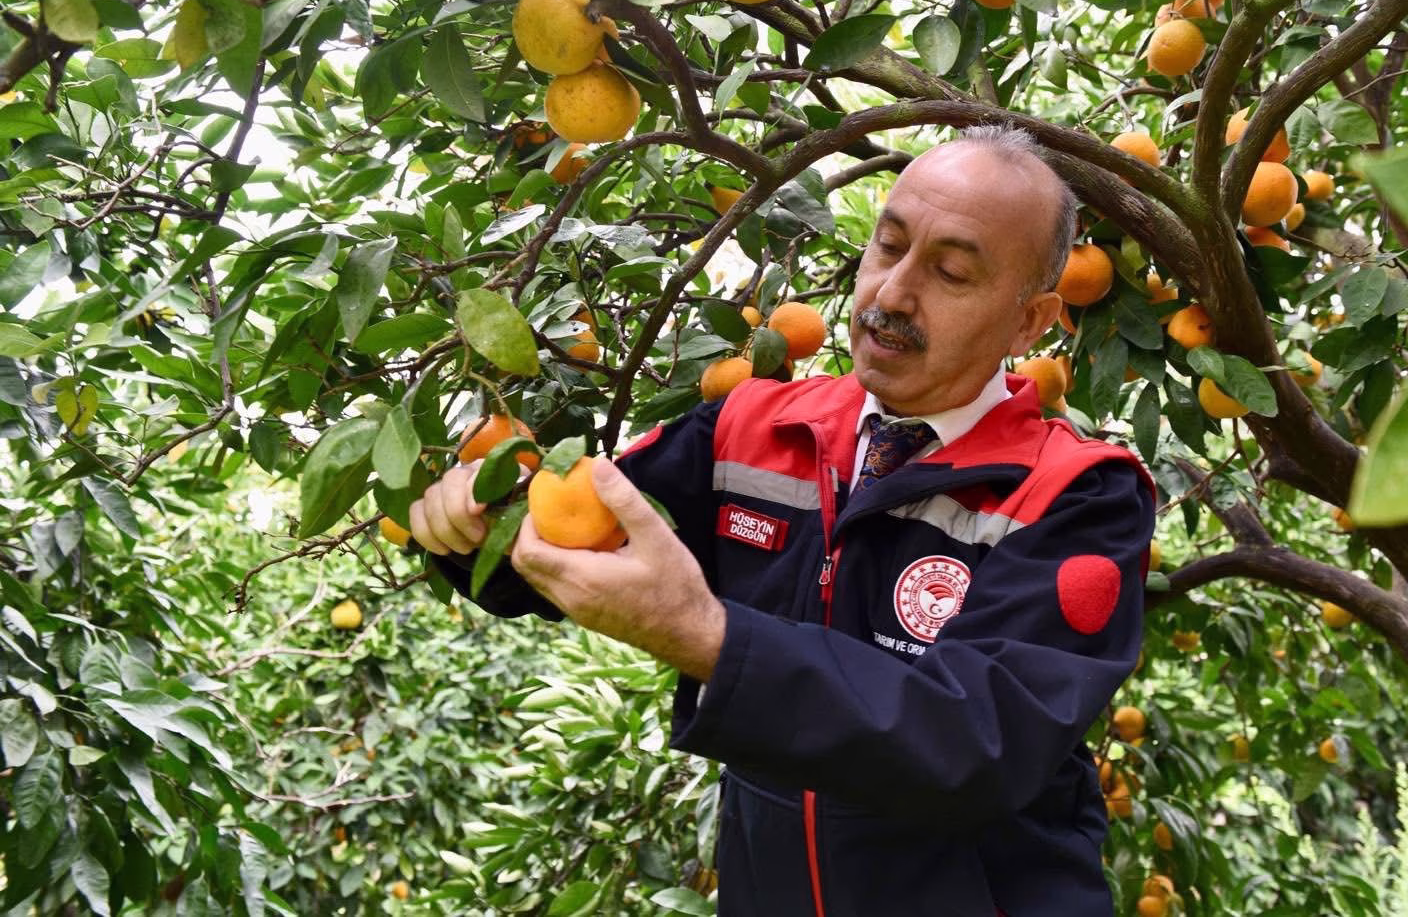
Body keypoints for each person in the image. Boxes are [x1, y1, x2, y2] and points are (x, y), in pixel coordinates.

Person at [410, 125, 1157, 915]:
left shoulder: (1079, 495)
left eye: (950, 273)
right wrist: (474, 525)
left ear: (1028, 323)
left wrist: (709, 637)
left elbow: (977, 746)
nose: (893, 294)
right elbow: (572, 537)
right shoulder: (751, 428)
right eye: (888, 247)